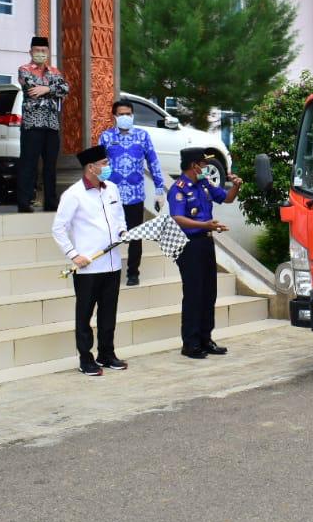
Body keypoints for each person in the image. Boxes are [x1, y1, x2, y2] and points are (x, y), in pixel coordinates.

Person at [51, 144, 128, 376]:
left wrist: (122, 231)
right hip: (89, 267)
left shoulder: (112, 188)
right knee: (85, 314)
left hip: (112, 263)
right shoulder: (73, 194)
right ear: (91, 168)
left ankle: (107, 353)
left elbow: (119, 217)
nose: (108, 167)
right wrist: (74, 255)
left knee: (108, 313)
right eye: (104, 164)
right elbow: (58, 228)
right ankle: (86, 358)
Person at [169, 147, 240, 359]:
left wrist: (236, 186)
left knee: (209, 293)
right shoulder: (179, 189)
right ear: (194, 166)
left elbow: (227, 198)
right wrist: (204, 225)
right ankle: (190, 343)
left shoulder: (204, 184)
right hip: (189, 245)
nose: (207, 167)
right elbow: (177, 218)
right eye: (204, 164)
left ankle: (205, 339)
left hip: (206, 242)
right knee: (194, 294)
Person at [99, 99, 165, 286]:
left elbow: (153, 162)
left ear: (133, 115)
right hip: (112, 196)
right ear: (114, 116)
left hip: (135, 195)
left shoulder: (143, 136)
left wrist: (159, 189)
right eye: (121, 114)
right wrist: (99, 181)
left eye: (128, 114)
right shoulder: (106, 137)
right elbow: (98, 164)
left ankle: (133, 273)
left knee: (135, 236)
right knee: (109, 235)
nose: (125, 117)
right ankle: (108, 271)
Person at [17, 36, 70, 213]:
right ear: (30, 52)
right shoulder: (24, 69)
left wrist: (46, 89)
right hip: (32, 124)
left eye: (43, 51)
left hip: (52, 124)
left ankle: (51, 202)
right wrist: (53, 89)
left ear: (48, 52)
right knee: (28, 163)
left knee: (50, 165)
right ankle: (24, 201)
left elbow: (65, 88)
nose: (40, 53)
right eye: (37, 50)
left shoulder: (54, 71)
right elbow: (31, 89)